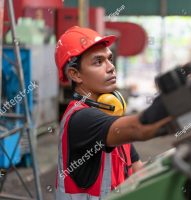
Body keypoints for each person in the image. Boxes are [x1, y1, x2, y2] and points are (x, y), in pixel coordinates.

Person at [54, 26, 171, 200]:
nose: (111, 68)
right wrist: (178, 102)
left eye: (110, 59)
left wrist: (171, 161)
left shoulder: (110, 120)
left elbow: (137, 170)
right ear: (75, 74)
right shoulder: (81, 119)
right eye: (98, 62)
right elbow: (139, 129)